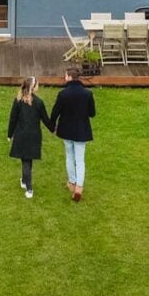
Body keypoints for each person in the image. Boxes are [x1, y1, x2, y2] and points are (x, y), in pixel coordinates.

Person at [50, 66, 96, 202]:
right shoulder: (87, 94)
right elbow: (92, 113)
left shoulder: (63, 94)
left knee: (69, 156)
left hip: (66, 129)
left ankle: (72, 182)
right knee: (80, 160)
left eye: (65, 76)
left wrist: (52, 126)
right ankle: (79, 188)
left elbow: (55, 112)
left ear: (70, 77)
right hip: (81, 130)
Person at [7, 76, 53, 199]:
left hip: (21, 135)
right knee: (28, 160)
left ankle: (25, 182)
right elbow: (45, 119)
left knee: (26, 160)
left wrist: (10, 134)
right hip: (34, 136)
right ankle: (28, 187)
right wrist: (53, 129)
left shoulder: (18, 101)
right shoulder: (39, 102)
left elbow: (13, 119)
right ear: (33, 87)